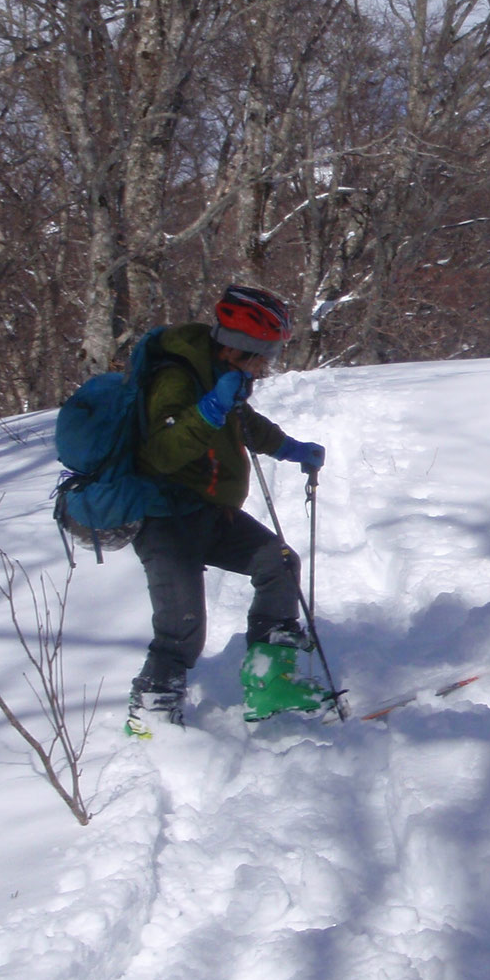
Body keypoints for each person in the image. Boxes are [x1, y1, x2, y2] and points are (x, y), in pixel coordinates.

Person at [125, 285, 332, 733]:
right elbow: (161, 453)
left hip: (210, 512)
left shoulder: (223, 373)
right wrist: (209, 408)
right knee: (182, 629)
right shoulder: (176, 378)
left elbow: (244, 423)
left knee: (278, 563)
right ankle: (149, 721)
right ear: (235, 349)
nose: (266, 366)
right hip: (163, 518)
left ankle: (270, 684)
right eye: (263, 356)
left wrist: (290, 448)